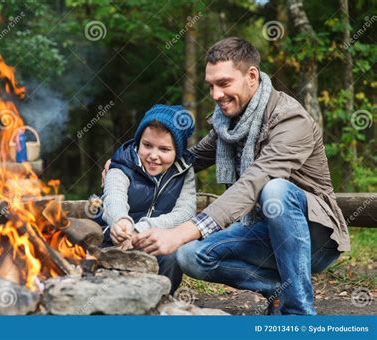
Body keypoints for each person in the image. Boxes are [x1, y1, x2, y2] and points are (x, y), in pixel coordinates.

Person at [104, 37, 350, 315]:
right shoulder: (228, 125)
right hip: (261, 230)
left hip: (315, 239)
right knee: (188, 255)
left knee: (275, 190)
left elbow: (254, 182)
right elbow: (187, 160)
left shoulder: (291, 121)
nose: (215, 94)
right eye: (210, 85)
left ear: (252, 76)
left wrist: (183, 231)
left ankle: (299, 314)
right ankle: (278, 291)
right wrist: (126, 164)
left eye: (223, 83)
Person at [100, 104, 196, 293]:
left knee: (173, 254)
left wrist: (141, 229)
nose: (153, 156)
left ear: (177, 151)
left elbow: (185, 212)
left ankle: (162, 298)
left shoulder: (184, 171)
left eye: (164, 149)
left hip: (154, 239)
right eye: (147, 145)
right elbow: (114, 196)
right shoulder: (122, 165)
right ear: (138, 142)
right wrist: (120, 221)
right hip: (114, 241)